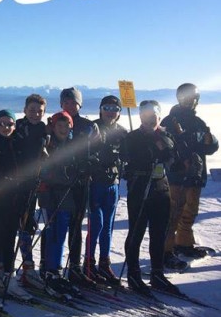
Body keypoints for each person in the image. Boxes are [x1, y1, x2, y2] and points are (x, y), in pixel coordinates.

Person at [122, 100, 181, 296]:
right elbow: (128, 159)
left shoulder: (166, 135)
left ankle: (157, 273)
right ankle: (133, 273)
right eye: (146, 116)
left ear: (158, 115)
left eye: (153, 115)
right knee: (136, 232)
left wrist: (163, 150)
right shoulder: (132, 137)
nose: (150, 119)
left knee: (159, 233)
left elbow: (173, 157)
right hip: (140, 188)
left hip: (160, 189)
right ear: (140, 117)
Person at [0, 109, 33, 308]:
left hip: (14, 198)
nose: (6, 128)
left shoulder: (16, 142)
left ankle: (6, 281)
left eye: (10, 124)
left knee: (10, 241)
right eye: (2, 124)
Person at [161, 83, 219, 266]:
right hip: (177, 176)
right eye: (186, 98)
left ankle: (183, 244)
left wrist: (211, 139)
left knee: (190, 212)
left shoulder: (198, 121)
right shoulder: (170, 120)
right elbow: (162, 146)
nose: (190, 102)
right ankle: (165, 251)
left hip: (195, 174)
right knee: (173, 213)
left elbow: (211, 147)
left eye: (192, 99)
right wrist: (178, 159)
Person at [83, 95, 127, 286]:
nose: (111, 112)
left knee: (108, 227)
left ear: (119, 112)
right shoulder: (92, 128)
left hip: (113, 183)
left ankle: (104, 263)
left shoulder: (123, 132)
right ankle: (89, 264)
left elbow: (129, 154)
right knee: (97, 224)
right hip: (96, 183)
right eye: (107, 108)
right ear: (100, 109)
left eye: (115, 109)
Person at [38, 111, 81, 300]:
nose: (63, 129)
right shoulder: (48, 145)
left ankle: (55, 269)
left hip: (65, 193)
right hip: (50, 193)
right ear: (54, 127)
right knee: (53, 230)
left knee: (61, 230)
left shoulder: (71, 145)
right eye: (59, 126)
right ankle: (50, 271)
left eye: (66, 126)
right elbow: (45, 170)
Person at [59, 87, 99, 287]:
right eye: (66, 102)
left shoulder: (88, 126)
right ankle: (50, 267)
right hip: (59, 183)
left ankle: (74, 266)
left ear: (79, 105)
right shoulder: (56, 123)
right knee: (56, 226)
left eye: (73, 103)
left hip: (81, 182)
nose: (69, 106)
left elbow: (97, 150)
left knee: (75, 225)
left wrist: (91, 163)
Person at [13, 94, 48, 291]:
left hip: (33, 184)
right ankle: (9, 270)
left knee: (27, 225)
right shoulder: (16, 127)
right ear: (25, 110)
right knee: (17, 225)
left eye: (39, 111)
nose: (35, 114)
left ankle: (28, 268)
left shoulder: (44, 129)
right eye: (32, 110)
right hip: (16, 184)